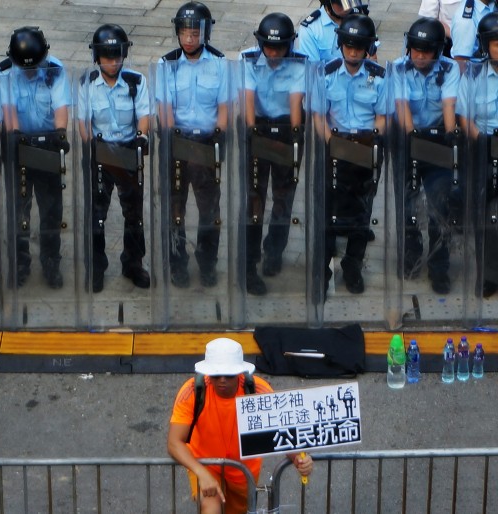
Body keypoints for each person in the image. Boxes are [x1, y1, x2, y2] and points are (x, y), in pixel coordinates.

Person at [167, 338, 313, 514]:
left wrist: (299, 458)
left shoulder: (259, 390)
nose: (222, 380)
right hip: (205, 464)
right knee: (210, 506)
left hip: (243, 472)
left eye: (229, 375)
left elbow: (280, 430)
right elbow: (174, 442)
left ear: (239, 373)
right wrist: (201, 473)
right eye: (215, 375)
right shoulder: (192, 391)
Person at [313, 14, 387, 295]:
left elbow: (383, 117)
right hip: (334, 143)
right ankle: (323, 264)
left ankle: (353, 263)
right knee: (328, 207)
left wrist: (369, 143)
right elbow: (319, 116)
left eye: (359, 47)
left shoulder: (379, 78)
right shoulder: (327, 73)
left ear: (367, 49)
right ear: (341, 44)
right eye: (348, 46)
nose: (353, 52)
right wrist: (335, 145)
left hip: (367, 146)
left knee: (362, 208)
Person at [157, 2, 228, 289]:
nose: (189, 39)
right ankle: (177, 263)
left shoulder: (220, 63)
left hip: (206, 145)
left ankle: (207, 263)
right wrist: (174, 138)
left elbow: (224, 107)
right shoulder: (167, 64)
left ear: (205, 33)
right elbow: (164, 108)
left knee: (209, 210)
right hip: (177, 143)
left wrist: (218, 138)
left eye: (194, 33)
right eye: (184, 32)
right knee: (175, 209)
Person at [0, 27, 72, 289]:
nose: (29, 72)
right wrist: (15, 136)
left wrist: (61, 135)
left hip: (48, 147)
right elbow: (9, 111)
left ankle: (51, 262)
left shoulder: (55, 70)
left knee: (52, 211)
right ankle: (20, 262)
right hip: (19, 148)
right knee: (19, 211)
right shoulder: (4, 72)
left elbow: (61, 107)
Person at [78, 24, 151, 293]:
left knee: (134, 215)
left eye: (117, 56)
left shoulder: (136, 81)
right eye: (107, 57)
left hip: (128, 153)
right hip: (101, 155)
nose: (113, 62)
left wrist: (142, 136)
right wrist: (91, 150)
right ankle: (97, 268)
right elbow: (83, 123)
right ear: (97, 58)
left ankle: (133, 264)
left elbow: (145, 115)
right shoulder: (87, 84)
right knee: (96, 216)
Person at [239, 13, 307, 295]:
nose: (274, 53)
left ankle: (274, 251)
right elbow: (248, 104)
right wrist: (256, 139)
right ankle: (249, 264)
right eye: (269, 47)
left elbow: (295, 110)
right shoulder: (248, 60)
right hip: (258, 129)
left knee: (283, 197)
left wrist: (289, 143)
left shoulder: (298, 64)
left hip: (285, 130)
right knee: (254, 201)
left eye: (280, 48)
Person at [393, 17, 461, 294]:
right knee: (408, 207)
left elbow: (449, 106)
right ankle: (411, 257)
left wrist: (449, 136)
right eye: (415, 50)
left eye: (426, 51)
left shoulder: (449, 68)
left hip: (437, 140)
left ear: (437, 51)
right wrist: (413, 142)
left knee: (439, 207)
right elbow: (402, 108)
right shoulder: (398, 68)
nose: (419, 56)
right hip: (408, 140)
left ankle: (439, 268)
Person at [457, 12, 498, 297]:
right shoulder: (472, 74)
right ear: (485, 45)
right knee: (485, 217)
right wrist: (482, 142)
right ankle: (489, 274)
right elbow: (464, 117)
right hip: (482, 148)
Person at [297, 0, 372, 63]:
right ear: (328, 2)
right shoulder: (310, 30)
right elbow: (312, 71)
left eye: (350, 2)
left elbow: (371, 53)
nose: (347, 9)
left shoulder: (358, 16)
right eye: (341, 4)